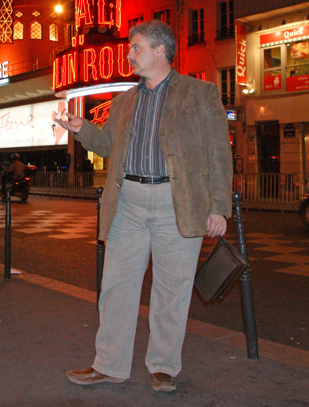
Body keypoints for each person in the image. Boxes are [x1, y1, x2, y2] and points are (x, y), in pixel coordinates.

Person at [55, 20, 233, 393]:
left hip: (177, 202)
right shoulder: (124, 101)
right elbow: (107, 146)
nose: (129, 55)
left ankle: (164, 366)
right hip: (128, 202)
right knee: (115, 286)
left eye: (136, 48)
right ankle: (109, 365)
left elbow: (219, 153)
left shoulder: (200, 93)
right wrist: (81, 127)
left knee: (172, 289)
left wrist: (218, 206)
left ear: (160, 50)